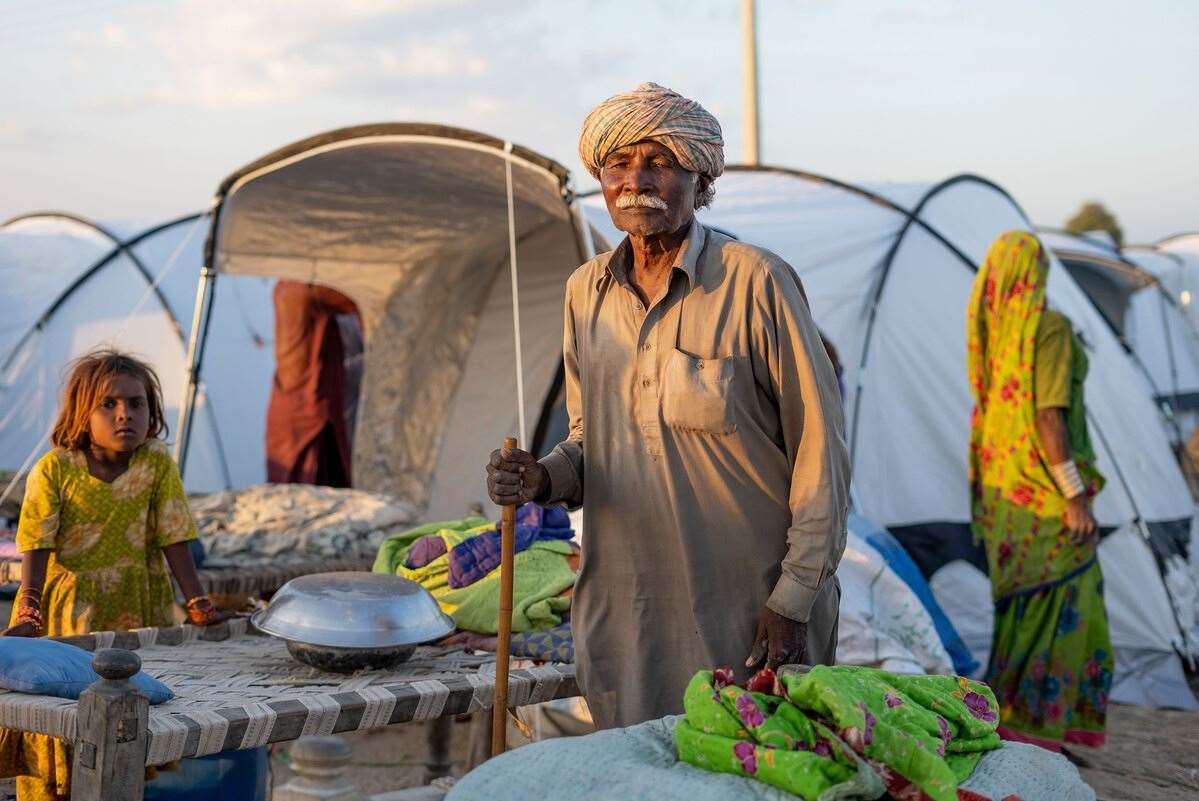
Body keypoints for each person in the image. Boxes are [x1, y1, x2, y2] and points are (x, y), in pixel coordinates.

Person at [485, 82, 849, 729]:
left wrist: (794, 599)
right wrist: (543, 477)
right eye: (618, 164)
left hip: (744, 613)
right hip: (628, 613)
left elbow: (821, 453)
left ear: (699, 180)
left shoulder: (754, 280)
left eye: (658, 162)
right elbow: (591, 441)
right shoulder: (585, 292)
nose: (635, 181)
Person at [0, 349, 226, 801]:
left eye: (137, 403)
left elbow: (175, 535)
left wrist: (198, 604)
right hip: (76, 610)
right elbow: (36, 542)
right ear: (81, 413)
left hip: (139, 606)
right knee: (70, 714)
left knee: (131, 722)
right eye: (109, 404)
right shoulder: (55, 469)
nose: (125, 414)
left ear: (152, 411)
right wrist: (29, 608)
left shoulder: (155, 462)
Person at [966, 231, 1113, 753]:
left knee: (1022, 617)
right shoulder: (1048, 329)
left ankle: (1013, 725)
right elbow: (1049, 417)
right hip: (1049, 500)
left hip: (1009, 508)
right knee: (1069, 609)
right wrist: (1074, 495)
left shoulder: (998, 338)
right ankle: (1039, 730)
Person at [266, 281, 360, 487]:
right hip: (306, 412)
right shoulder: (299, 287)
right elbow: (357, 297)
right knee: (306, 487)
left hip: (305, 409)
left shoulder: (289, 287)